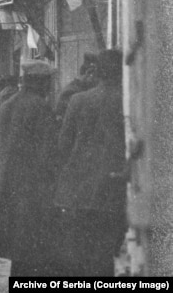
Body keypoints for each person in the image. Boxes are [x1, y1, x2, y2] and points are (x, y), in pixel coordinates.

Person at [53, 49, 127, 276]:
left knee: (78, 253)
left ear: (97, 72)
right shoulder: (128, 102)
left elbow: (63, 146)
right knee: (105, 254)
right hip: (113, 189)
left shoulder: (78, 100)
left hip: (79, 191)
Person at [0, 59, 62, 277]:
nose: (50, 86)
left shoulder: (7, 104)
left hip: (10, 180)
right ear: (40, 82)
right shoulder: (39, 107)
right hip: (34, 184)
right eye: (48, 81)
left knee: (18, 244)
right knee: (35, 246)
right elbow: (48, 151)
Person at [54, 53, 98, 121]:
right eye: (96, 77)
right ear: (89, 74)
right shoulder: (70, 92)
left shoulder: (78, 88)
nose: (97, 81)